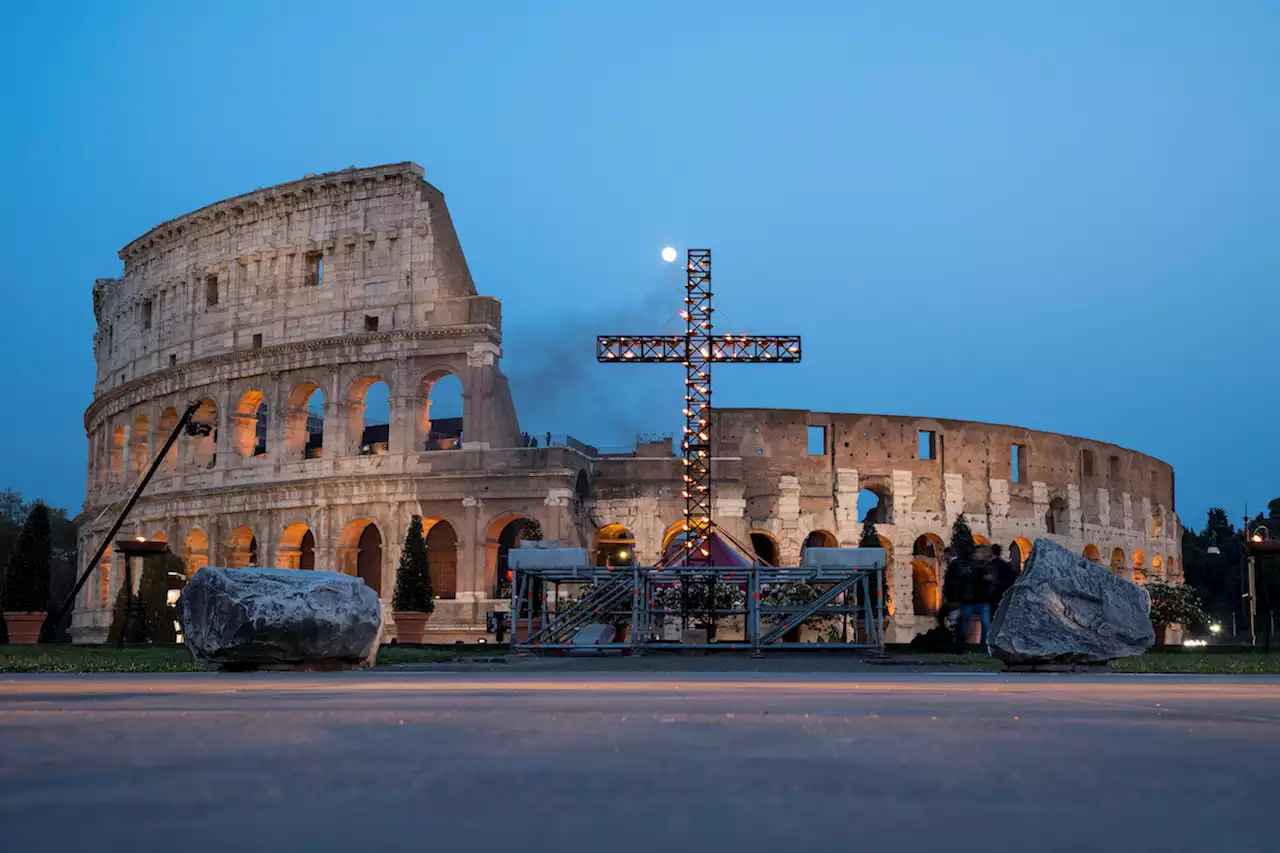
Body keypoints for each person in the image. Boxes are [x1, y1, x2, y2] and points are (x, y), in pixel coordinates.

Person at [954, 545, 995, 648]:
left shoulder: (988, 568)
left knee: (986, 625)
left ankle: (984, 647)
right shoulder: (969, 568)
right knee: (965, 624)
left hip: (983, 600)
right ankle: (961, 645)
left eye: (981, 552)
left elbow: (991, 584)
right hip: (969, 601)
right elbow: (962, 583)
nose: (979, 555)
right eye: (977, 552)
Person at [986, 543, 1017, 618]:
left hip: (995, 596)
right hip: (1005, 594)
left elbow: (992, 581)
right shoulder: (1006, 564)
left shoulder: (991, 565)